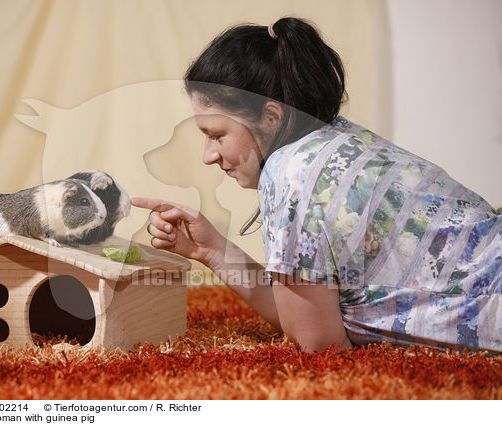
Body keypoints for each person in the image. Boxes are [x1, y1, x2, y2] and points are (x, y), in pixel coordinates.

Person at [132, 17, 502, 353]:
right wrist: (211, 249)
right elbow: (306, 311)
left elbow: (317, 344)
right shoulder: (337, 137)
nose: (207, 156)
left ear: (271, 117)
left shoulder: (290, 173)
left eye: (215, 135)